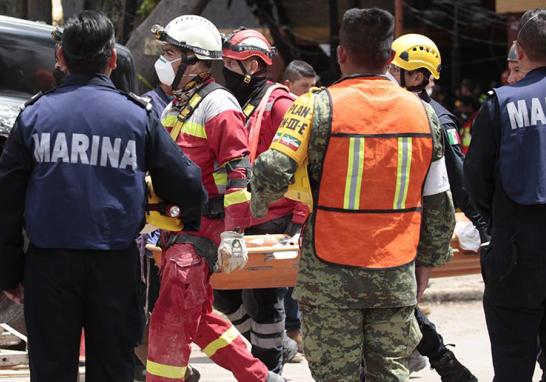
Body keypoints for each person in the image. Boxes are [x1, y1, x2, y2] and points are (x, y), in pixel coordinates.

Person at [250, 8, 456, 381]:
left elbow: (271, 171)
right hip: (396, 272)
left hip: (329, 276)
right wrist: (426, 263)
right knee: (390, 374)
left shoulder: (313, 106)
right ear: (390, 58)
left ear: (341, 53)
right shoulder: (424, 116)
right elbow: (439, 201)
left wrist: (255, 201)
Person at [0, 10, 207, 382]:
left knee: (50, 371)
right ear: (112, 59)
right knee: (113, 370)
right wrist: (187, 218)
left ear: (60, 58)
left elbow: (7, 201)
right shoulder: (137, 116)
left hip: (49, 267)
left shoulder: (34, 116)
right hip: (115, 267)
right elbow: (187, 184)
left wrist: (9, 272)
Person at [144, 15, 284, 382]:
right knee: (200, 319)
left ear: (193, 60)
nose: (163, 59)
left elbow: (239, 173)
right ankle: (263, 378)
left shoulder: (217, 104)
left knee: (169, 319)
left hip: (202, 231)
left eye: (171, 52)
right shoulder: (177, 106)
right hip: (177, 228)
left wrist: (233, 234)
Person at [389, 33, 483, 381]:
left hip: (413, 227)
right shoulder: (392, 110)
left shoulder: (437, 120)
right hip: (391, 224)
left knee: (400, 302)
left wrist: (478, 223)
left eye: (396, 70)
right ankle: (439, 361)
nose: (388, 75)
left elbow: (457, 181)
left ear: (416, 75)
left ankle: (441, 360)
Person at [214, 28, 306, 372]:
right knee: (223, 294)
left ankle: (270, 367)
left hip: (274, 219)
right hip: (240, 215)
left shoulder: (280, 105)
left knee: (265, 299)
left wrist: (299, 220)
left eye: (230, 64)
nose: (224, 70)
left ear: (252, 65)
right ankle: (275, 346)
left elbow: (307, 163)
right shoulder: (236, 101)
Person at [464, 9, 546, 382]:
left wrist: (496, 223)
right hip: (517, 245)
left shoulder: (502, 103)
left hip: (517, 253)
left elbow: (475, 180)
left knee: (512, 365)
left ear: (521, 51)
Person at [280, 59, 318, 351]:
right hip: (285, 210)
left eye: (313, 86)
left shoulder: (316, 114)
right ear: (288, 86)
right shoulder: (285, 114)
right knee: (283, 277)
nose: (310, 92)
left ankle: (295, 332)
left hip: (304, 209)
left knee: (297, 276)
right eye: (304, 87)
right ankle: (289, 333)